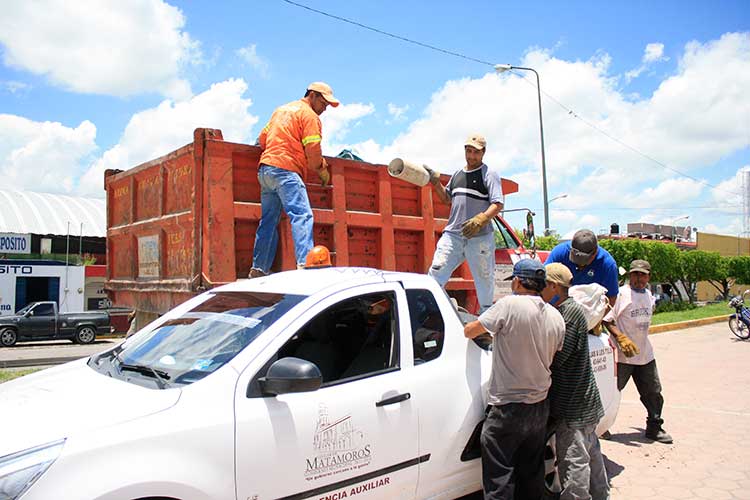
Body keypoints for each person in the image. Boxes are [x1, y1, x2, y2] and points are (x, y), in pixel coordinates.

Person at [464, 259, 565, 500]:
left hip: (508, 408)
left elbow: (470, 331)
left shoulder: (508, 305)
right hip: (539, 408)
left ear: (517, 281)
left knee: (500, 477)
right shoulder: (556, 316)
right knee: (531, 474)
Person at [248, 82, 340, 278]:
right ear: (313, 95)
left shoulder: (280, 110)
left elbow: (262, 139)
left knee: (269, 221)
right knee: (302, 216)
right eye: (324, 104)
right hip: (286, 170)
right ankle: (306, 266)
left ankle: (259, 268)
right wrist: (322, 169)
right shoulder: (309, 116)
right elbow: (313, 151)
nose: (324, 109)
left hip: (265, 171)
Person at [542, 263, 609, 500]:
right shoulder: (570, 310)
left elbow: (559, 357)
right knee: (591, 454)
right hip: (585, 402)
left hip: (574, 407)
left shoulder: (567, 313)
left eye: (543, 285)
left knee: (574, 461)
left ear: (553, 286)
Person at [426, 134, 504, 313]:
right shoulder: (458, 175)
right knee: (436, 271)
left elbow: (498, 203)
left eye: (476, 152)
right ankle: (430, 311)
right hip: (453, 234)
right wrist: (436, 183)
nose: (471, 156)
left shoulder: (489, 174)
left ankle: (485, 320)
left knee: (484, 279)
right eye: (468, 151)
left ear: (483, 153)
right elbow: (447, 199)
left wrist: (481, 219)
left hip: (480, 237)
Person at [603, 259, 673, 444]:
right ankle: (601, 426)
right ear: (630, 275)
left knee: (653, 393)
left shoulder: (649, 295)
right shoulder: (621, 295)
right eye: (635, 274)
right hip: (622, 356)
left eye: (642, 275)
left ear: (649, 277)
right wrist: (621, 338)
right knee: (611, 393)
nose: (638, 278)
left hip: (644, 355)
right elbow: (607, 320)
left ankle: (654, 427)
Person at [546, 229, 620, 307]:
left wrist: (597, 318)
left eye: (584, 263)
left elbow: (611, 297)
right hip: (553, 307)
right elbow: (543, 279)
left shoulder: (607, 265)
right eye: (575, 260)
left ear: (594, 253)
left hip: (585, 312)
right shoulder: (560, 252)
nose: (580, 266)